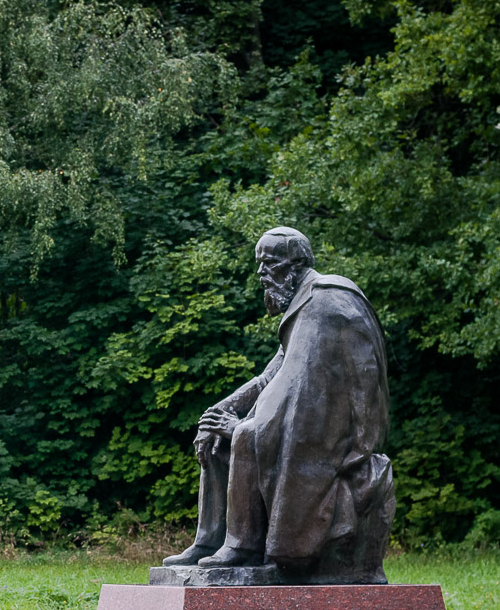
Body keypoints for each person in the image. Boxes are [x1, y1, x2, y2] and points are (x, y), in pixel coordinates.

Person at [163, 227, 394, 581]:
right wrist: (222, 409)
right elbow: (274, 375)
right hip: (303, 416)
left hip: (337, 432)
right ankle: (210, 540)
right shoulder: (300, 304)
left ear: (295, 265)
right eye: (259, 264)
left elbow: (302, 390)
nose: (261, 274)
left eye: (268, 263)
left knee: (244, 436)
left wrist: (241, 426)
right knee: (218, 436)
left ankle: (241, 545)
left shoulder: (325, 302)